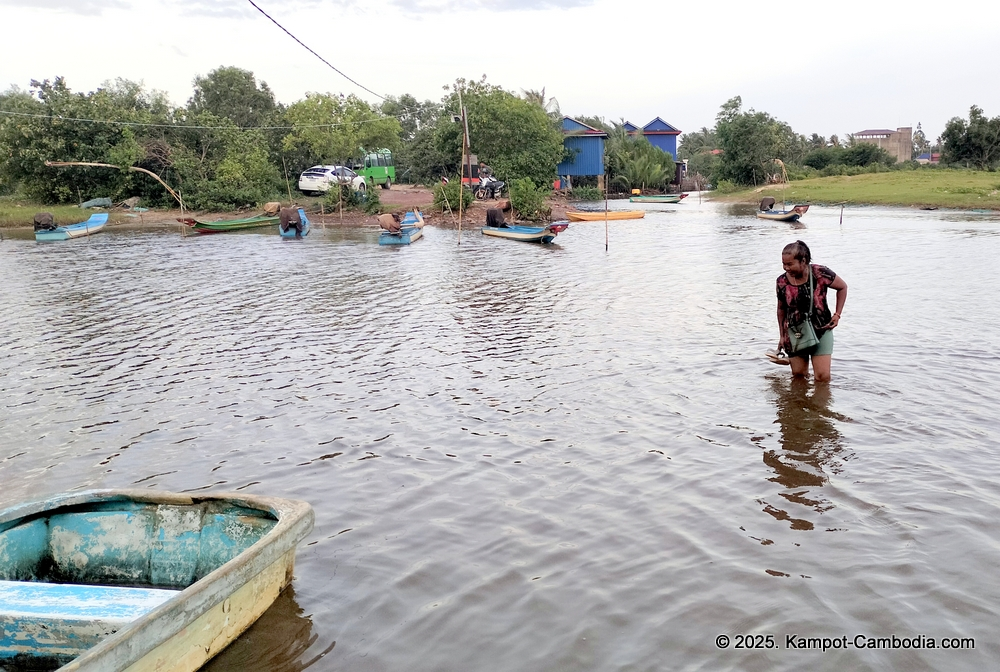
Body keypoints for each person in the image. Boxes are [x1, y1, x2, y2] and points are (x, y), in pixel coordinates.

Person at [775, 240, 848, 382]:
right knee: (798, 376)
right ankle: (799, 403)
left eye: (789, 264)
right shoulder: (781, 282)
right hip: (796, 333)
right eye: (783, 264)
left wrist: (837, 314)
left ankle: (820, 403)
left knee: (823, 377)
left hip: (822, 329)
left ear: (803, 261)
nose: (786, 268)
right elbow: (781, 309)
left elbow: (843, 287)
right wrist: (782, 336)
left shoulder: (820, 273)